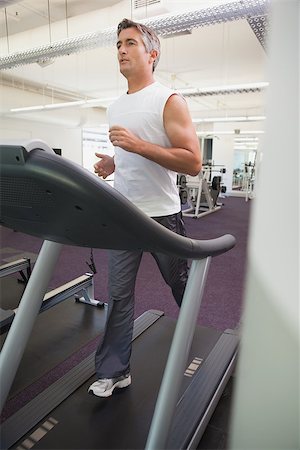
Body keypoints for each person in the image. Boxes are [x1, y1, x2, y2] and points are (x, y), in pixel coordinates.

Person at [88, 18, 202, 397]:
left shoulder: (169, 100)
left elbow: (191, 161)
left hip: (163, 215)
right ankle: (116, 370)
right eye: (118, 43)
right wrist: (115, 162)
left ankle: (193, 336)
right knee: (119, 295)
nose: (121, 49)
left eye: (130, 43)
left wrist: (137, 146)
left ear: (151, 54)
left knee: (179, 282)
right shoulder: (115, 107)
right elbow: (134, 155)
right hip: (125, 215)